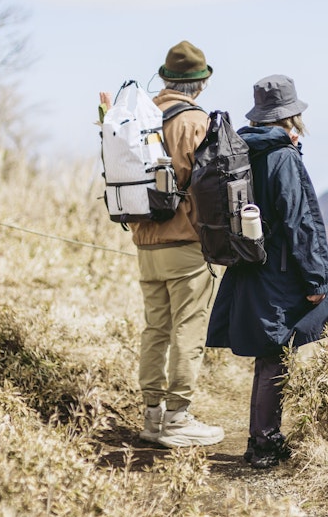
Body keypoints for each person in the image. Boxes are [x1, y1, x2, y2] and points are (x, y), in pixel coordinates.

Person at [206, 74, 328, 468]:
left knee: (270, 354)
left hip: (247, 266)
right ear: (291, 115)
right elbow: (298, 221)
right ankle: (264, 444)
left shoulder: (241, 151)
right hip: (278, 272)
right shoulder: (283, 157)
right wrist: (316, 279)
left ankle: (263, 439)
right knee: (275, 356)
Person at [98, 41, 224, 448]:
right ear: (199, 85)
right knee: (188, 327)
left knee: (155, 328)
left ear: (166, 79)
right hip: (184, 242)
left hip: (144, 241)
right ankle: (179, 419)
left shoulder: (138, 115)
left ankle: (152, 417)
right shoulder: (194, 122)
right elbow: (209, 185)